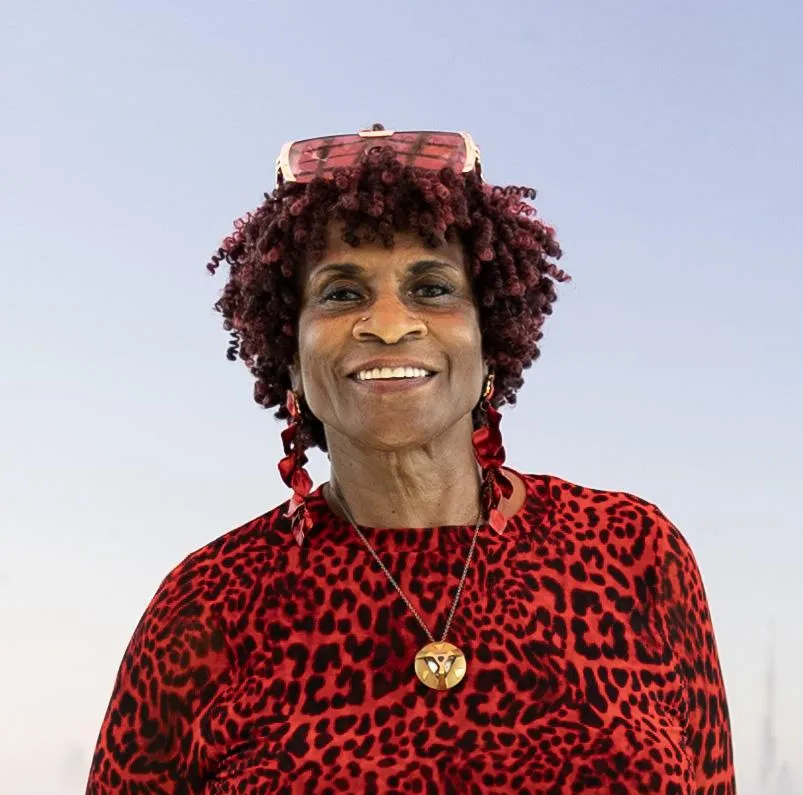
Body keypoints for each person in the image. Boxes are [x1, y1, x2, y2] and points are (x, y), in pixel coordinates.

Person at [86, 126, 736, 794]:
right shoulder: (207, 604)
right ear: (291, 359)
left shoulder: (631, 550)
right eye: (342, 293)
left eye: (431, 288)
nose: (390, 324)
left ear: (490, 340)